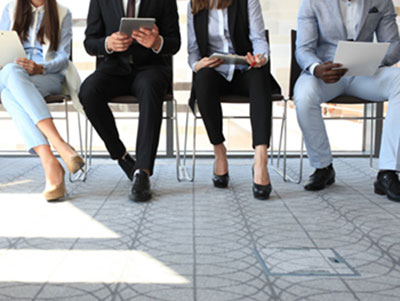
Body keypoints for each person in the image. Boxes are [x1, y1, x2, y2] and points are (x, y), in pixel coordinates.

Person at [295, 0, 400, 201]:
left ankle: (388, 172)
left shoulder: (381, 1)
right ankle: (323, 167)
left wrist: (371, 61)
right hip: (326, 73)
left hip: (366, 73)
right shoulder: (311, 2)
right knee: (304, 94)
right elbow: (303, 49)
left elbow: (394, 46)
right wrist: (316, 68)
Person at [79, 0, 180, 202]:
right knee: (88, 92)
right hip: (114, 67)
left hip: (151, 68)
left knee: (151, 89)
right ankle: (122, 156)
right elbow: (90, 42)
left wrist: (157, 42)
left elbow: (175, 42)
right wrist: (107, 43)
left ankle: (142, 172)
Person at [187, 0, 281, 200]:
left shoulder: (247, 2)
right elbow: (193, 50)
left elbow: (259, 38)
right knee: (202, 78)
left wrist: (260, 57)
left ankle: (260, 159)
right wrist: (198, 64)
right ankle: (219, 152)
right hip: (215, 73)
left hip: (243, 70)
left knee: (259, 74)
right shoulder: (194, 4)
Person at [0, 0, 84, 202]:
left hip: (47, 76)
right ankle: (59, 148)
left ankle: (51, 163)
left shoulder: (62, 13)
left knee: (9, 93)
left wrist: (40, 68)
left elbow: (64, 57)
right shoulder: (10, 10)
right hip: (13, 75)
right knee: (11, 75)